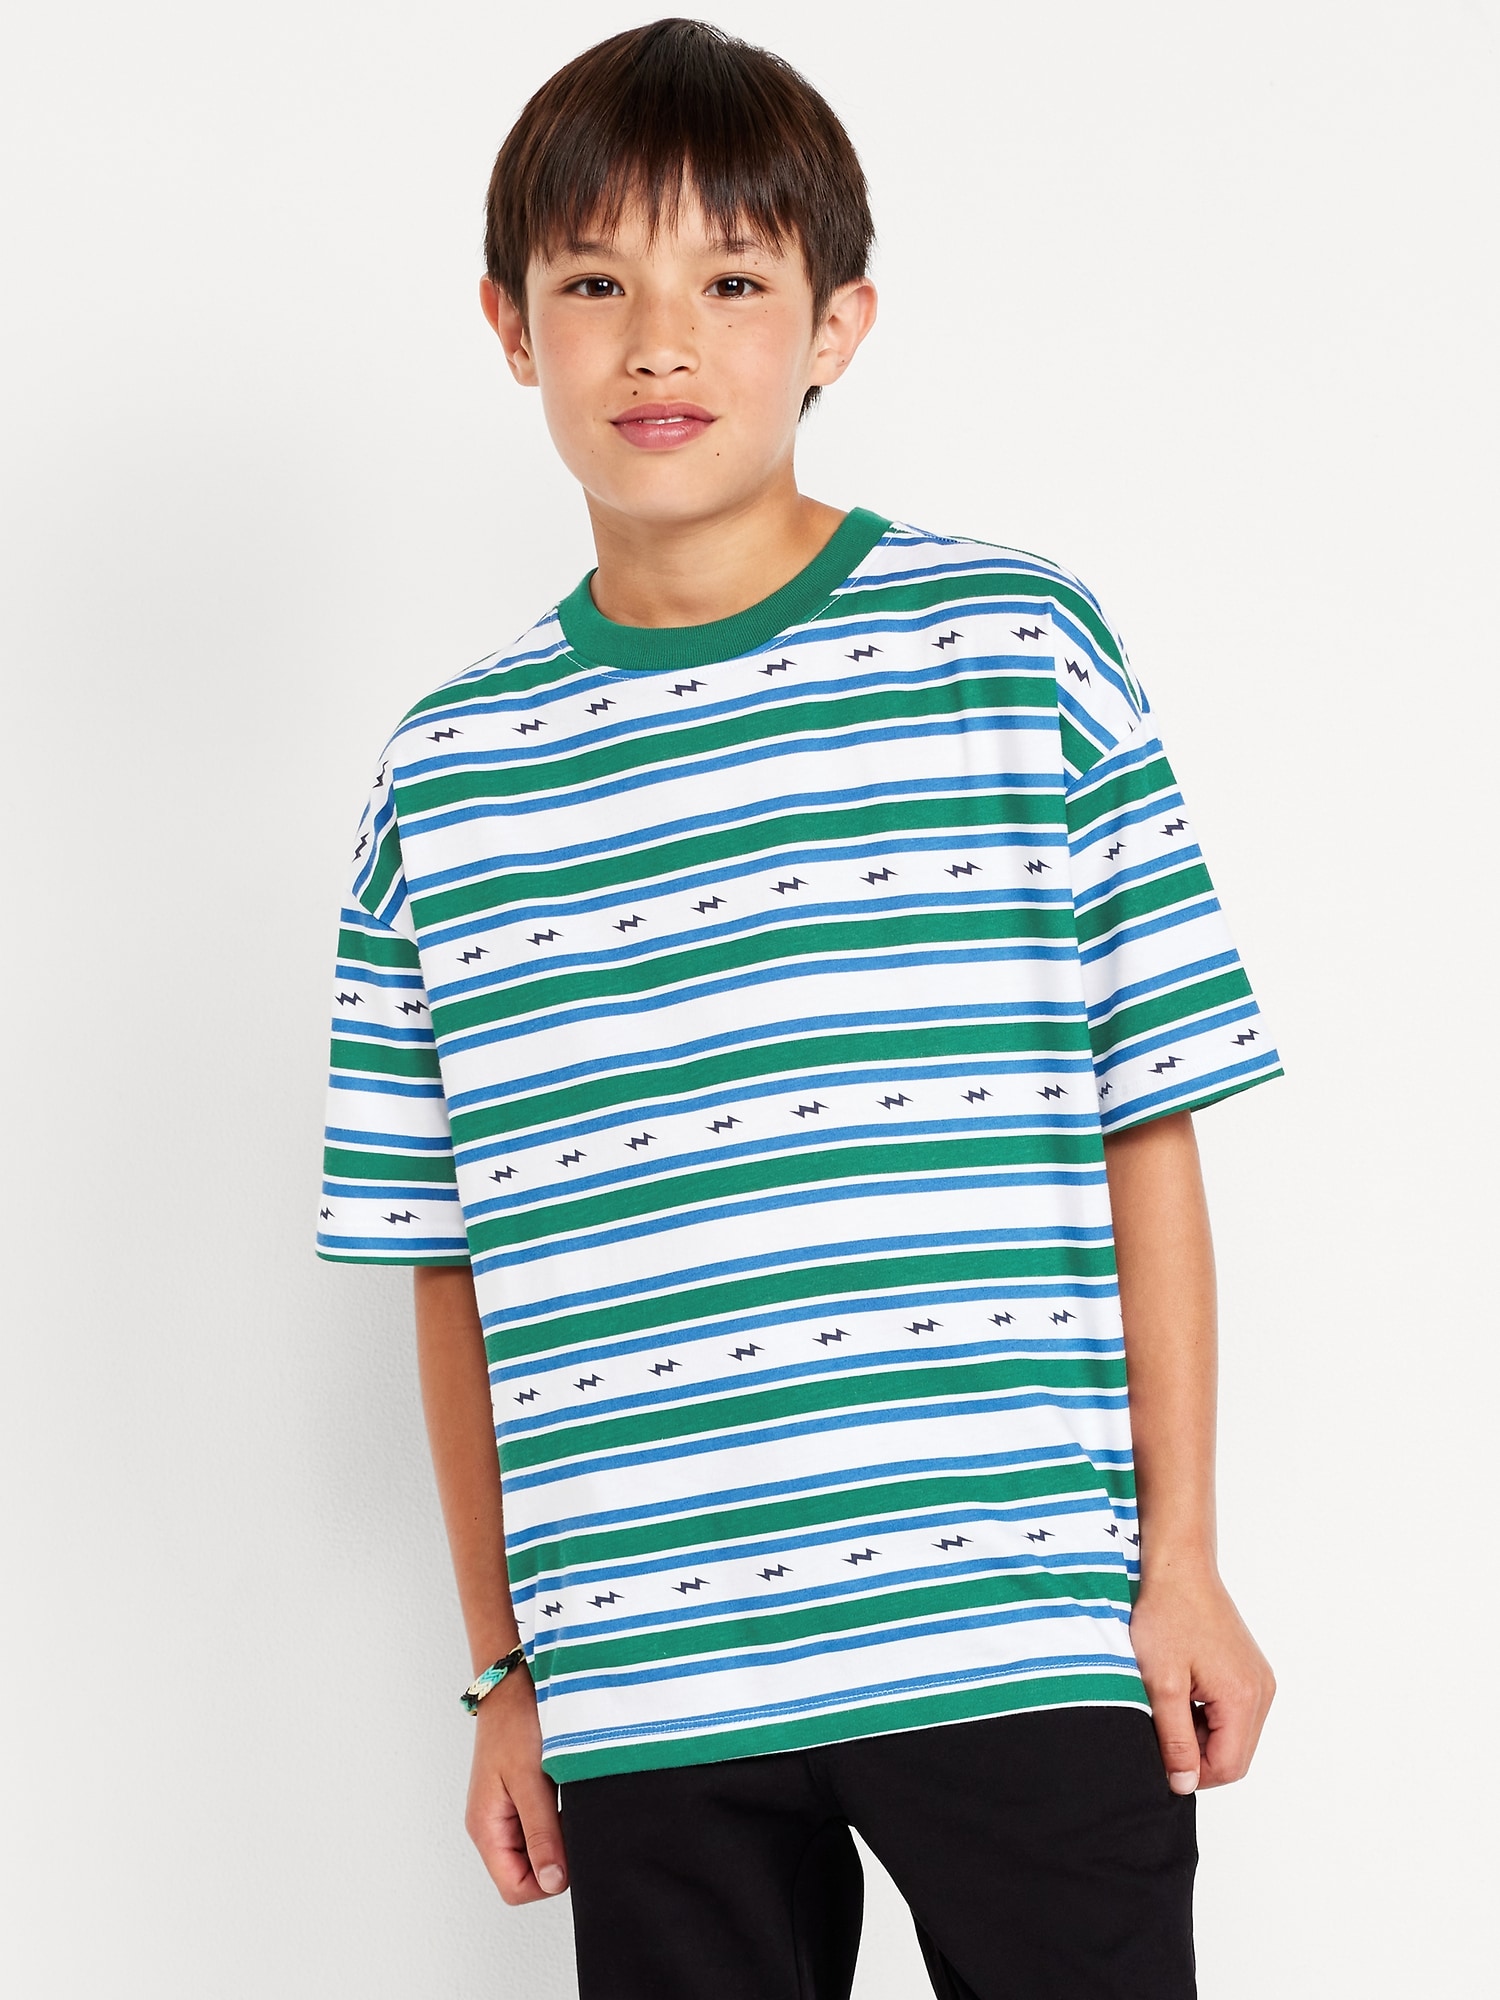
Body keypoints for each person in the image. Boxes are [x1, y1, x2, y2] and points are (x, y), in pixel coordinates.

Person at [316, 19, 1282, 1998]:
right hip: (647, 1674)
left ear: (839, 321)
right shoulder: (445, 779)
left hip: (1012, 1620)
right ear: (510, 325)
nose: (660, 344)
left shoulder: (1012, 651)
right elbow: (447, 1261)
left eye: (733, 283)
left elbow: (1147, 1120)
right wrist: (503, 1670)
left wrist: (1179, 1560)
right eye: (598, 285)